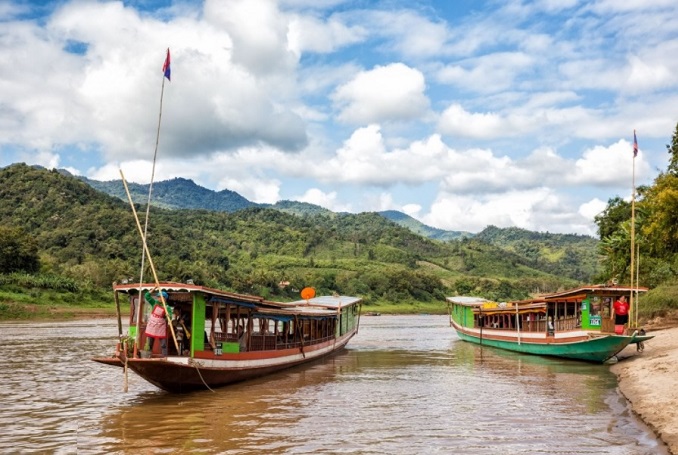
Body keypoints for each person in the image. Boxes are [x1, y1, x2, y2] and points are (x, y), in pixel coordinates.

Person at [144, 290, 172, 356]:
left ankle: (164, 356)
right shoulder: (154, 303)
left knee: (163, 344)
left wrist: (168, 316)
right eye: (158, 297)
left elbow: (170, 318)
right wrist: (153, 289)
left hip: (161, 327)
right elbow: (147, 296)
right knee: (150, 343)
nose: (159, 298)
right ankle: (148, 355)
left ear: (165, 298)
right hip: (152, 325)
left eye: (161, 297)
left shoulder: (167, 307)